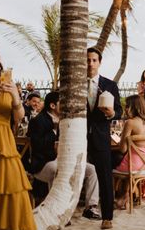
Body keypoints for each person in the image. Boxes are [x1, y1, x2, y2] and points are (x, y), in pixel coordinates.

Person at [0, 46, 48, 230]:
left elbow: (19, 117)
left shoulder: (8, 85)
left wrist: (16, 98)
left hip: (5, 143)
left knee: (12, 196)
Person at [28, 91, 101, 219]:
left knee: (92, 170)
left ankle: (91, 207)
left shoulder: (67, 119)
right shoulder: (38, 121)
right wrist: (54, 131)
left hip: (67, 159)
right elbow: (37, 145)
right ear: (52, 106)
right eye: (62, 102)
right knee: (57, 170)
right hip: (44, 163)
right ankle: (57, 210)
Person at [86, 47, 122, 230]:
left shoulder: (109, 85)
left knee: (105, 176)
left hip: (100, 136)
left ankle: (107, 216)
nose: (90, 63)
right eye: (87, 60)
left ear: (99, 62)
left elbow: (120, 112)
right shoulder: (75, 84)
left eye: (93, 60)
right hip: (79, 135)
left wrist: (112, 113)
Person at [114, 95, 145, 209]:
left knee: (111, 161)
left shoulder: (130, 123)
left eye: (127, 106)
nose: (126, 109)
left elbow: (123, 149)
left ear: (134, 107)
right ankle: (129, 196)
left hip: (135, 165)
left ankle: (119, 197)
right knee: (126, 160)